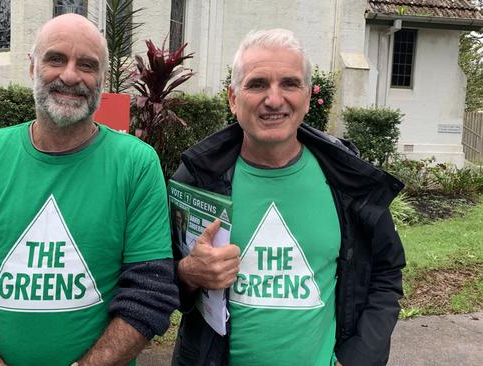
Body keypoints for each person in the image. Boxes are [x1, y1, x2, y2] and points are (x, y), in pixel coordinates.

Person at [0, 14, 178, 366]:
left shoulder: (137, 164)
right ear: (31, 67)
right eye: (56, 59)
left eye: (87, 65)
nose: (70, 76)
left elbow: (150, 292)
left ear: (101, 79)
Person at [170, 28, 405, 366]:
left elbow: (386, 272)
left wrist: (359, 358)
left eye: (290, 84)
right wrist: (188, 273)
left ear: (308, 97)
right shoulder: (197, 180)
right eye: (257, 84)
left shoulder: (348, 180)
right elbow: (155, 277)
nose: (274, 99)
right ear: (233, 98)